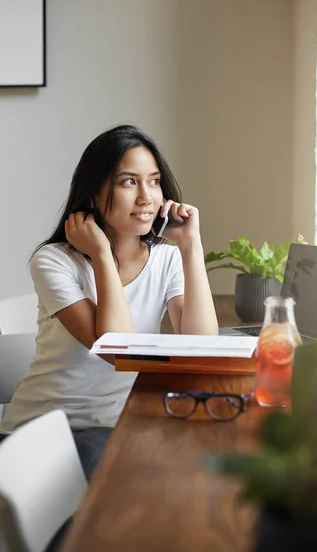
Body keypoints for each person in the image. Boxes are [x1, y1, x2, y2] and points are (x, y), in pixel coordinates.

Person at [0, 124, 218, 480]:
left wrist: (191, 247)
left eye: (154, 180)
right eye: (128, 182)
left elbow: (201, 345)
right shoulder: (54, 261)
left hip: (118, 427)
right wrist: (101, 253)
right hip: (45, 433)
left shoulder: (165, 258)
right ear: (92, 193)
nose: (147, 197)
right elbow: (117, 348)